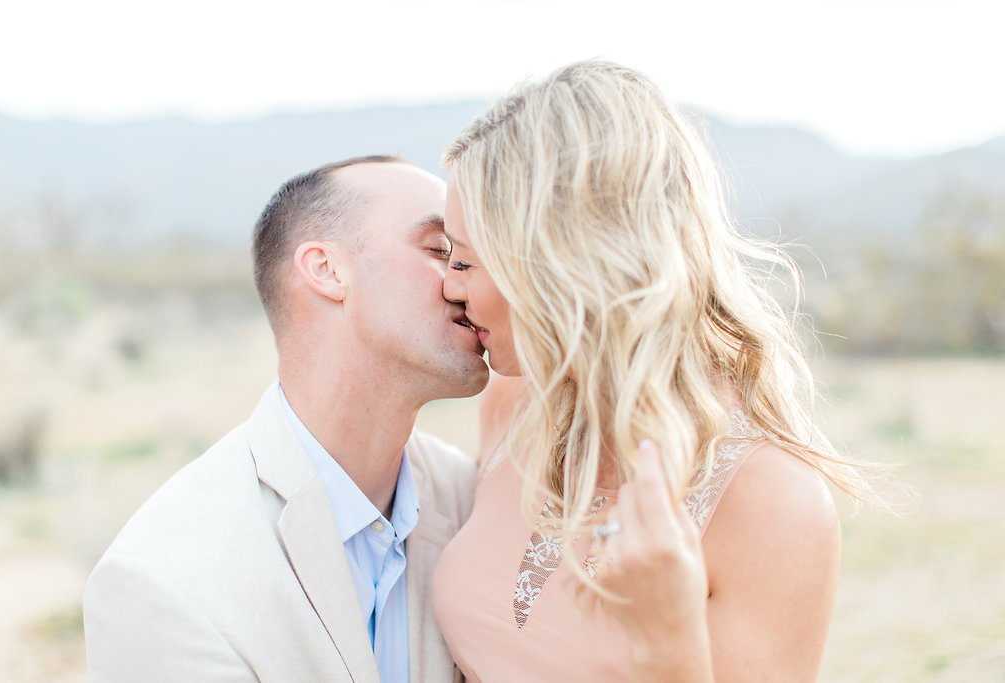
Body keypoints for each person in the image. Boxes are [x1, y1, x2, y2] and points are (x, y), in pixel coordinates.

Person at [432, 61, 883, 681]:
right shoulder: (512, 407)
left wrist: (668, 641)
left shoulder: (773, 505)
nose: (448, 288)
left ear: (560, 265)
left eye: (465, 260)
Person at [83, 155, 490, 682]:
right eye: (441, 250)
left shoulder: (472, 500)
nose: (466, 285)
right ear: (327, 270)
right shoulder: (163, 581)